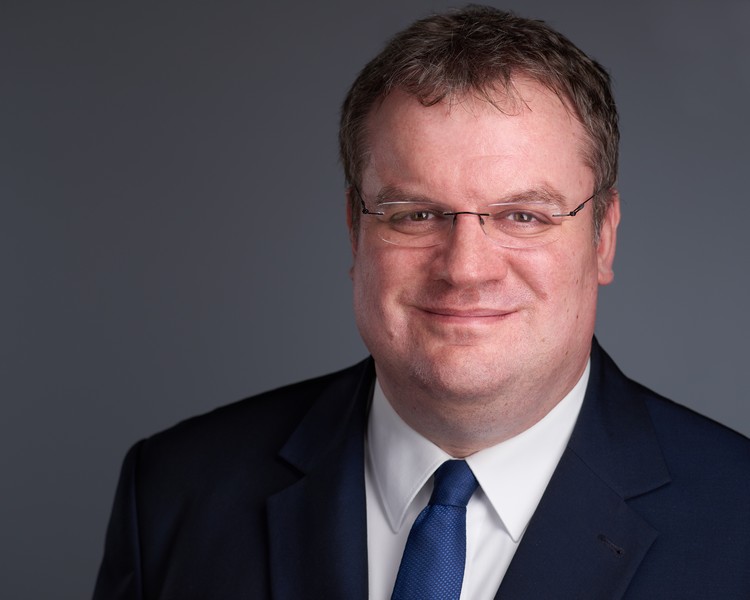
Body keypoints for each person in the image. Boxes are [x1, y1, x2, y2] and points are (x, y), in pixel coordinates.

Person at [93, 6, 750, 599]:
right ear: (355, 231)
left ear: (602, 237)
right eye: (416, 214)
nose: (464, 269)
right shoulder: (176, 493)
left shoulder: (736, 519)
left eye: (523, 215)